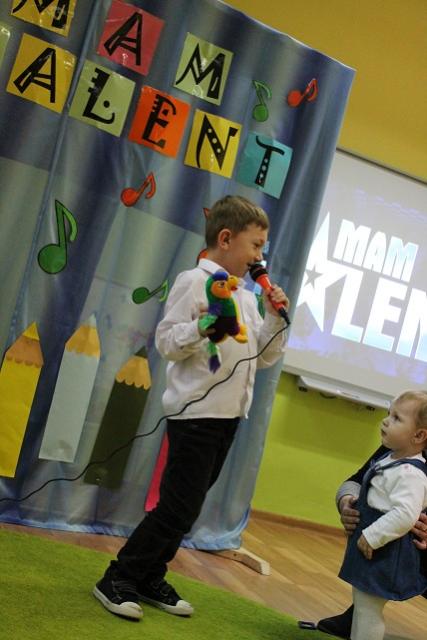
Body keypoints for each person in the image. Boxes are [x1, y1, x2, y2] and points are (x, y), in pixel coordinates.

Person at [93, 195, 289, 620]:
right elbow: (167, 342)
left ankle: (150, 575)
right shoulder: (192, 282)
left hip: (228, 417)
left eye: (262, 248)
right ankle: (119, 576)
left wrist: (275, 317)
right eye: (255, 245)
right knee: (177, 506)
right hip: (196, 416)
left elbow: (263, 356)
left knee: (188, 507)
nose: (260, 257)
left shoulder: (246, 296)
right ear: (226, 238)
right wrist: (202, 327)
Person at [319, 390, 427, 640]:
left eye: (396, 418)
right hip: (377, 545)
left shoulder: (411, 472)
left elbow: (405, 513)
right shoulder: (394, 453)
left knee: (368, 609)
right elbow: (355, 482)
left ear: (419, 435)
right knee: (364, 604)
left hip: (386, 549)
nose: (386, 421)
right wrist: (347, 503)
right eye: (389, 414)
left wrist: (373, 535)